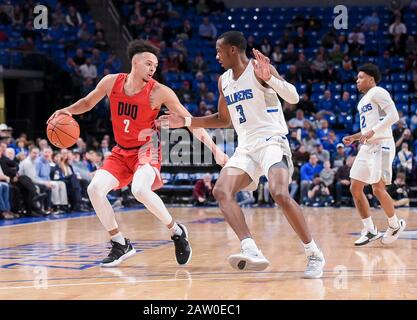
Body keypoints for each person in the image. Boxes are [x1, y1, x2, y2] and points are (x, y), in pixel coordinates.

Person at [160, 31, 325, 278]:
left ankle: (313, 253)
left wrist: (271, 78)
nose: (216, 56)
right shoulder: (224, 80)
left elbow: (293, 97)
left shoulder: (259, 68)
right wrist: (185, 120)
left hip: (272, 142)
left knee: (279, 193)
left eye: (219, 51)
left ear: (234, 50)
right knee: (220, 191)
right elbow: (223, 120)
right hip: (246, 147)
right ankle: (250, 247)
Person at [49, 40, 227, 267]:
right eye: (149, 63)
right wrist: (65, 111)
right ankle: (120, 243)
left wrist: (216, 151)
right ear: (135, 62)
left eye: (155, 65)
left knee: (140, 189)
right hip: (120, 151)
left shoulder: (160, 92)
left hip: (147, 150)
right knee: (94, 188)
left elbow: (189, 122)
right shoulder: (111, 82)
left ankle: (176, 232)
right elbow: (87, 103)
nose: (153, 68)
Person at [342, 63, 405, 246]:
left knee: (377, 188)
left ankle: (394, 225)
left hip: (382, 144)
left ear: (371, 78)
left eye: (360, 77)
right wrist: (355, 137)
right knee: (355, 187)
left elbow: (393, 116)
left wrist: (372, 131)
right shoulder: (363, 101)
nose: (357, 81)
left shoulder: (379, 92)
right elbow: (368, 129)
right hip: (367, 146)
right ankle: (370, 230)